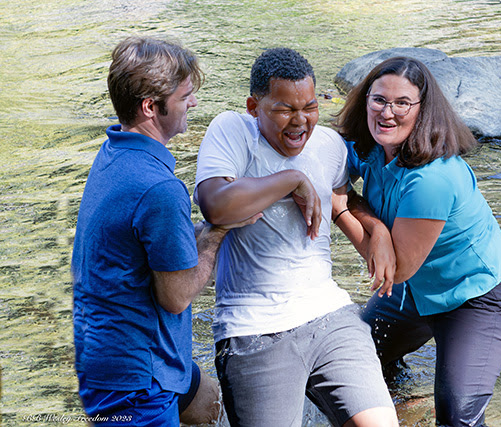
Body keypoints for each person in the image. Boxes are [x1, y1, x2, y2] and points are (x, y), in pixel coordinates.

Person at [194, 47, 398, 427]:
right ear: (254, 106)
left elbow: (343, 197)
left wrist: (377, 229)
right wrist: (290, 180)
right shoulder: (233, 131)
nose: (300, 121)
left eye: (309, 107)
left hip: (329, 315)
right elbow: (215, 206)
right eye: (285, 109)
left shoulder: (327, 145)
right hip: (253, 328)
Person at [71, 36, 259, 426]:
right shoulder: (159, 188)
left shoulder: (113, 153)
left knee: (209, 403)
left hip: (111, 350)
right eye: (185, 95)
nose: (193, 103)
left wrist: (201, 228)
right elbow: (176, 296)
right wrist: (218, 231)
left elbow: (142, 245)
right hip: (134, 380)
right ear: (151, 107)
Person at [333, 56, 501, 427]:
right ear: (365, 101)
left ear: (423, 111)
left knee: (457, 417)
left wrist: (341, 209)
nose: (387, 112)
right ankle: (401, 406)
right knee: (351, 365)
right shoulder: (370, 147)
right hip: (415, 292)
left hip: (478, 297)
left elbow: (399, 269)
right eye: (379, 100)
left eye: (402, 103)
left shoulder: (433, 179)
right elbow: (324, 164)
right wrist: (373, 225)